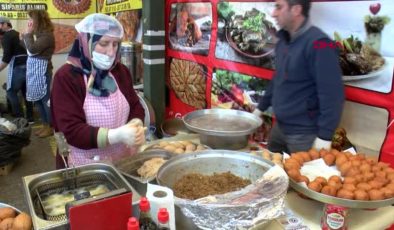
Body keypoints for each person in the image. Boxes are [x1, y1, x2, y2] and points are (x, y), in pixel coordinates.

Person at [51, 13, 145, 167]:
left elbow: (135, 105)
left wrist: (136, 123)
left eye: (115, 44)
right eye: (104, 43)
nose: (111, 52)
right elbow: (71, 130)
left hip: (123, 160)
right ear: (86, 41)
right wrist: (115, 135)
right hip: (86, 165)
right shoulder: (67, 77)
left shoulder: (119, 71)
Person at [253, 0, 344, 153]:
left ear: (296, 10)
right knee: (270, 173)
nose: (273, 13)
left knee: (299, 177)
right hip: (280, 127)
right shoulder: (284, 40)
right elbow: (278, 79)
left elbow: (333, 93)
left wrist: (325, 136)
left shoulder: (321, 43)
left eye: (279, 7)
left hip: (304, 134)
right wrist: (260, 108)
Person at [20, 10, 55, 137]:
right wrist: (23, 38)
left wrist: (28, 35)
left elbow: (33, 49)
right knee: (38, 100)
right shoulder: (40, 35)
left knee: (45, 100)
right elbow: (29, 50)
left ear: (38, 21)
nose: (29, 22)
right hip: (36, 71)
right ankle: (45, 124)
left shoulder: (47, 36)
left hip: (43, 71)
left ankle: (50, 127)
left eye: (31, 20)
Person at [0, 16, 34, 122]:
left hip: (18, 67)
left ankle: (19, 118)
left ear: (5, 24)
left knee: (10, 92)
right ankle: (30, 118)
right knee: (26, 92)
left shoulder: (7, 36)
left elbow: (6, 58)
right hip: (28, 66)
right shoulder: (17, 34)